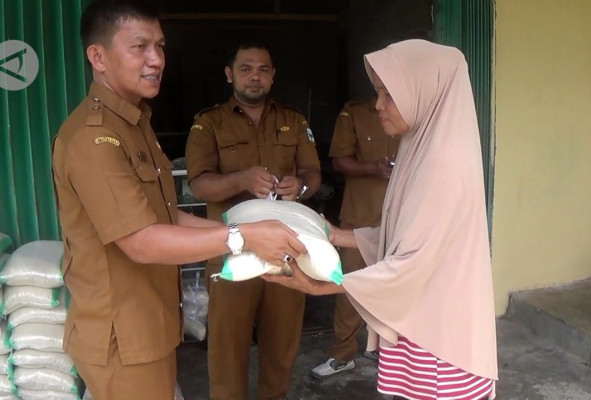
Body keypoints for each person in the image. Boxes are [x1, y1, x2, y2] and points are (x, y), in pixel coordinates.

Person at [51, 3, 306, 400]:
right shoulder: (94, 139)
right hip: (123, 336)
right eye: (140, 47)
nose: (156, 59)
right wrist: (241, 238)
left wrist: (247, 233)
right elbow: (141, 240)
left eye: (160, 46)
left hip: (150, 323)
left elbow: (167, 216)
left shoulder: (135, 125)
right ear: (98, 57)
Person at [263, 39, 498, 400]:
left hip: (439, 338)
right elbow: (406, 236)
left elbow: (411, 263)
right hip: (422, 321)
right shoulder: (421, 149)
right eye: (378, 92)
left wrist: (319, 287)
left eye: (390, 94)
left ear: (423, 94)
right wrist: (335, 235)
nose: (378, 105)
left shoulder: (442, 167)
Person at [185, 43, 321, 400]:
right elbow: (199, 183)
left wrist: (300, 185)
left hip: (285, 251)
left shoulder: (293, 121)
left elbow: (313, 173)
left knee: (282, 345)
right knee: (227, 350)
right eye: (246, 69)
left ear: (273, 76)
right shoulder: (209, 123)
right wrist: (241, 180)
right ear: (230, 75)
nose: (255, 76)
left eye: (263, 69)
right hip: (232, 251)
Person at [311, 98, 399, 379]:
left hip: (402, 218)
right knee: (349, 285)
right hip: (360, 215)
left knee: (396, 287)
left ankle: (386, 350)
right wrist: (372, 168)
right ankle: (342, 354)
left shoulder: (415, 112)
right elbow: (339, 160)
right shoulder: (355, 112)